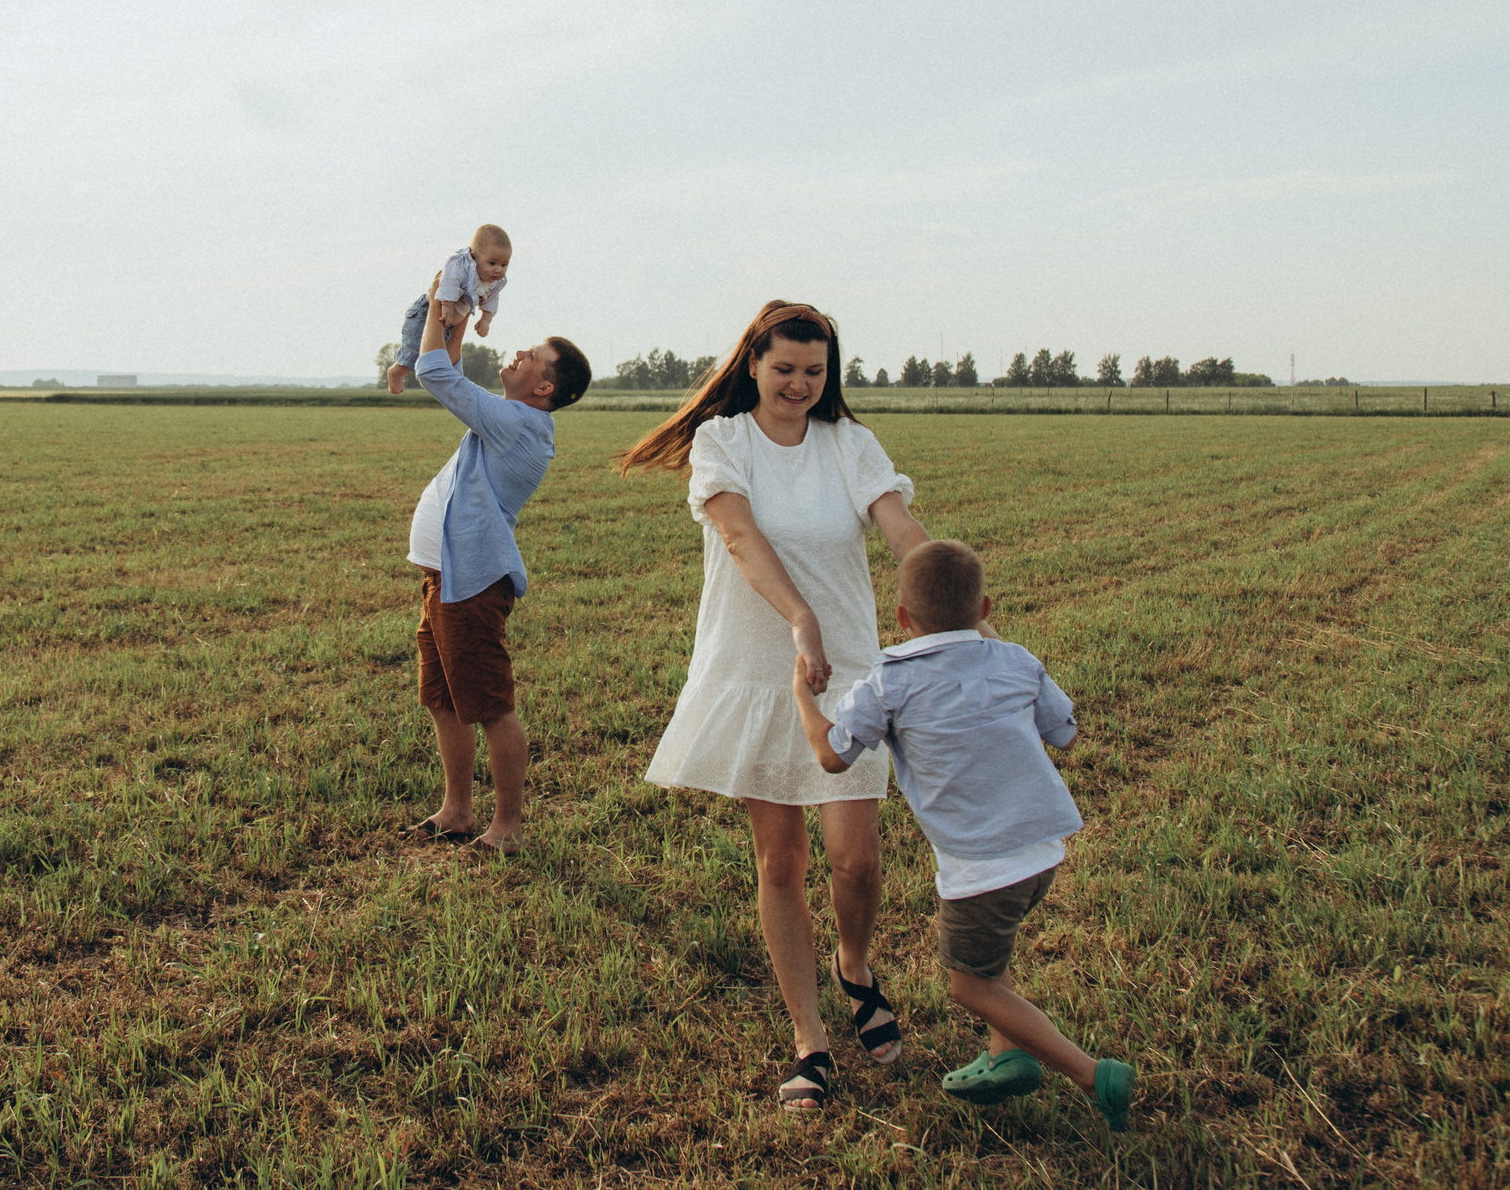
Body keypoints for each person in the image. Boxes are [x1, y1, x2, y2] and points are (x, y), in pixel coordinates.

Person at [617, 300, 934, 1111]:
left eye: (814, 371)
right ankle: (810, 1039)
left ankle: (854, 965)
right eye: (784, 368)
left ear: (830, 374)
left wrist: (950, 600)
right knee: (780, 860)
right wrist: (800, 618)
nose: (799, 383)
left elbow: (900, 528)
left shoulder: (850, 445)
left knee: (856, 859)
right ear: (753, 364)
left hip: (850, 670)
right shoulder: (723, 443)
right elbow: (739, 537)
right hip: (766, 670)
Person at [793, 539, 1136, 1131]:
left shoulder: (891, 680)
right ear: (985, 607)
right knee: (990, 958)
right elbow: (1067, 734)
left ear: (900, 619)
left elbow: (831, 757)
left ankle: (1092, 1075)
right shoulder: (1016, 659)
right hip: (1042, 853)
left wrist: (803, 696)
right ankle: (1007, 1058)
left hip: (980, 869)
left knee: (967, 987)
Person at [400, 276, 591, 857]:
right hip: (447, 579)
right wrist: (456, 306)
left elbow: (436, 372)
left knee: (491, 706)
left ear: (544, 385)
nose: (519, 353)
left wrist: (440, 303)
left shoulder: (520, 425)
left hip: (473, 585)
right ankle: (457, 810)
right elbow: (448, 357)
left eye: (532, 355)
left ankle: (507, 826)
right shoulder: (512, 417)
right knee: (443, 698)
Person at [387, 225, 512, 394]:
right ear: (474, 257)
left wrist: (486, 320)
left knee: (445, 362)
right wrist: (445, 307)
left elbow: (491, 300)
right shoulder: (461, 266)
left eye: (504, 265)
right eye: (492, 263)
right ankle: (396, 372)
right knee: (416, 351)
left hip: (452, 321)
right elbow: (448, 284)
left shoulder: (494, 282)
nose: (498, 270)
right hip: (428, 313)